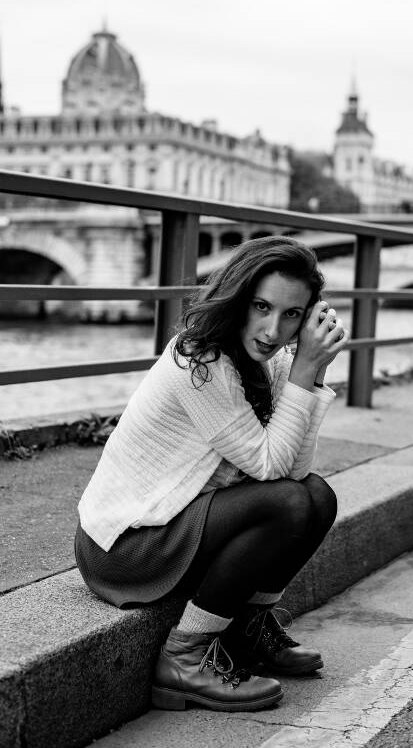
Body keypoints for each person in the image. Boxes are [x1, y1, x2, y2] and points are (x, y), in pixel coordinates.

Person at [74, 235, 348, 713]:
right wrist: (305, 370)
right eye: (261, 306)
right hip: (123, 545)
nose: (272, 329)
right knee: (287, 502)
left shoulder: (274, 361)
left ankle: (247, 630)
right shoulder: (199, 360)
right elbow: (269, 469)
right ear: (238, 297)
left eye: (291, 315)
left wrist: (310, 373)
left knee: (316, 495)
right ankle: (185, 657)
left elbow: (295, 470)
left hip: (179, 525)